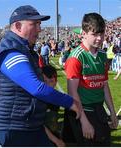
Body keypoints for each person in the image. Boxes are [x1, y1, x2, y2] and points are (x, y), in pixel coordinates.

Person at [0, 5, 81, 147]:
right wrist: (70, 101)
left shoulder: (25, 49)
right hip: (11, 129)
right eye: (34, 24)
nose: (39, 29)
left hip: (29, 125)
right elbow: (36, 88)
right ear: (18, 26)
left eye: (39, 24)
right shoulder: (10, 51)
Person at [62, 12, 118, 146]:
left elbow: (104, 85)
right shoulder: (76, 57)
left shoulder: (103, 56)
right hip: (82, 112)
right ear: (84, 33)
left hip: (98, 110)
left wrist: (112, 112)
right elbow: (72, 92)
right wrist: (84, 122)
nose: (99, 38)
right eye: (95, 34)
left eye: (101, 33)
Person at [42, 65, 65, 147]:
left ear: (56, 82)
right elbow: (40, 125)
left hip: (53, 135)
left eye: (51, 81)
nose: (48, 85)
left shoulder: (56, 97)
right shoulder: (38, 101)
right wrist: (57, 141)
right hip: (41, 138)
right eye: (45, 81)